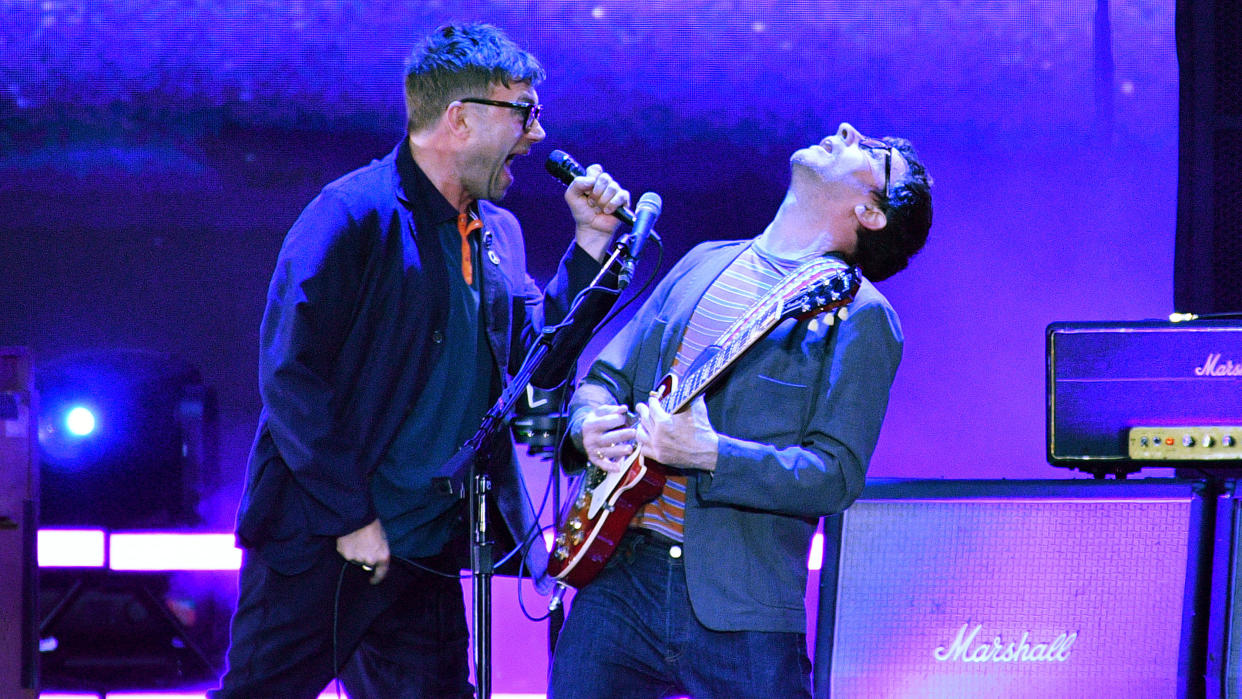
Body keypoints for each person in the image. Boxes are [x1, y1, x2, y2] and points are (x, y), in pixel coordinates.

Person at [212, 23, 630, 698]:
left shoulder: (500, 234)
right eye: (524, 112)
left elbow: (535, 365)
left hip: (425, 550)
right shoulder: (352, 213)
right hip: (324, 541)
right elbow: (291, 374)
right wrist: (351, 517)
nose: (538, 135)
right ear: (460, 119)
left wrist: (587, 247)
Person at [548, 122, 933, 698]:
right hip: (621, 577)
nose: (847, 130)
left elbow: (836, 476)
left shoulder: (861, 316)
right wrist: (588, 426)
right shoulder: (703, 261)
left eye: (871, 153)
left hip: (744, 605)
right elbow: (603, 379)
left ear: (872, 214)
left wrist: (710, 453)